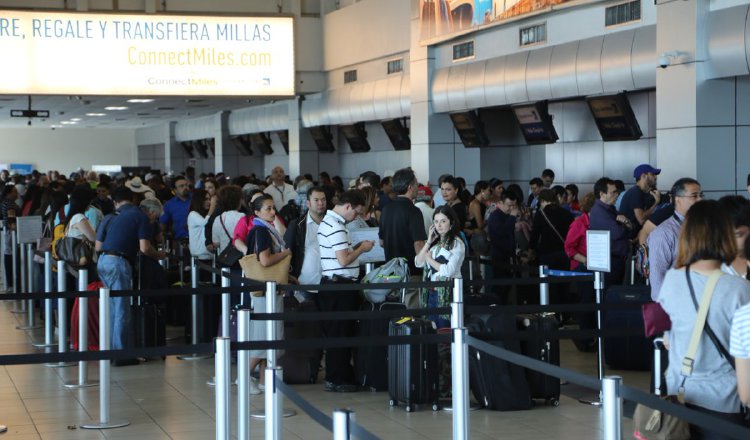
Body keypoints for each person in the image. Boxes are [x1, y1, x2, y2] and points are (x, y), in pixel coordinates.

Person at [658, 200, 750, 438]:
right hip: (723, 403)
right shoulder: (739, 289)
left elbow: (668, 338)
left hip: (679, 397)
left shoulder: (672, 280)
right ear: (725, 236)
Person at [96, 187, 165, 364]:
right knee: (121, 310)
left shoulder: (126, 214)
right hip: (118, 263)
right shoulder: (141, 217)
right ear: (150, 212)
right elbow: (145, 248)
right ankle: (121, 355)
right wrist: (160, 256)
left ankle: (113, 351)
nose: (153, 222)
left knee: (112, 309)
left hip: (104, 260)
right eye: (154, 217)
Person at [317, 189, 374, 392]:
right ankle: (337, 379)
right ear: (348, 206)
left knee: (339, 332)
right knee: (340, 333)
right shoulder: (336, 226)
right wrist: (362, 249)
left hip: (335, 285)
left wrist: (356, 247)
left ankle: (340, 376)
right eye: (356, 212)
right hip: (338, 286)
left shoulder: (332, 223)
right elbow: (343, 260)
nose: (356, 217)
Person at [243, 194, 291, 394]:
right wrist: (286, 253)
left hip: (270, 289)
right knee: (264, 336)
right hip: (266, 292)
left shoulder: (265, 229)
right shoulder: (261, 231)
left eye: (273, 208)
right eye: (268, 209)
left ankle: (265, 380)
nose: (273, 212)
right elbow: (265, 260)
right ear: (257, 212)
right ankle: (243, 377)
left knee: (270, 337)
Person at [378, 168, 428, 306]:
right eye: (417, 185)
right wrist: (426, 265)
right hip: (412, 272)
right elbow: (418, 244)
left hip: (392, 271)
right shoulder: (414, 211)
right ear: (410, 187)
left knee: (396, 310)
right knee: (411, 313)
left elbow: (382, 242)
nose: (418, 188)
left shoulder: (386, 209)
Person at [648, 178, 703, 300]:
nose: (700, 200)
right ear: (678, 200)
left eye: (701, 195)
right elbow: (657, 283)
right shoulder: (663, 233)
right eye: (694, 196)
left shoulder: (702, 227)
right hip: (678, 305)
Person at [415, 205, 465, 328]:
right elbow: (418, 262)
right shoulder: (435, 245)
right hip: (432, 293)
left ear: (451, 223)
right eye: (436, 222)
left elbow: (448, 271)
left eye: (443, 221)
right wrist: (428, 241)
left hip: (449, 293)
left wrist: (430, 259)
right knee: (431, 329)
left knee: (445, 331)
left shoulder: (456, 243)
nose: (439, 225)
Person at [284, 186, 327, 302]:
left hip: (328, 284)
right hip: (304, 283)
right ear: (308, 203)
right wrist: (289, 275)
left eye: (323, 200)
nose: (321, 203)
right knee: (306, 318)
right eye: (316, 200)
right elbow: (287, 251)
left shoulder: (332, 224)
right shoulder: (297, 225)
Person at [589, 177, 633, 286]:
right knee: (610, 295)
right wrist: (626, 224)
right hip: (609, 262)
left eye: (617, 192)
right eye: (613, 192)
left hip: (616, 260)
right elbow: (618, 233)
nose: (617, 195)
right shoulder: (599, 211)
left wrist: (626, 223)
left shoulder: (610, 209)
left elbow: (630, 229)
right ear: (602, 194)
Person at [529, 188, 573, 270]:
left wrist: (531, 249)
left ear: (542, 201)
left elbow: (535, 235)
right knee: (563, 279)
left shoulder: (540, 214)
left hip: (547, 253)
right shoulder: (567, 213)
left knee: (547, 280)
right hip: (565, 253)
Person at [619, 164, 662, 229]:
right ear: (644, 176)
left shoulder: (642, 192)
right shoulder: (635, 192)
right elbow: (641, 220)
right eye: (653, 174)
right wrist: (656, 203)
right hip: (630, 237)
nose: (655, 177)